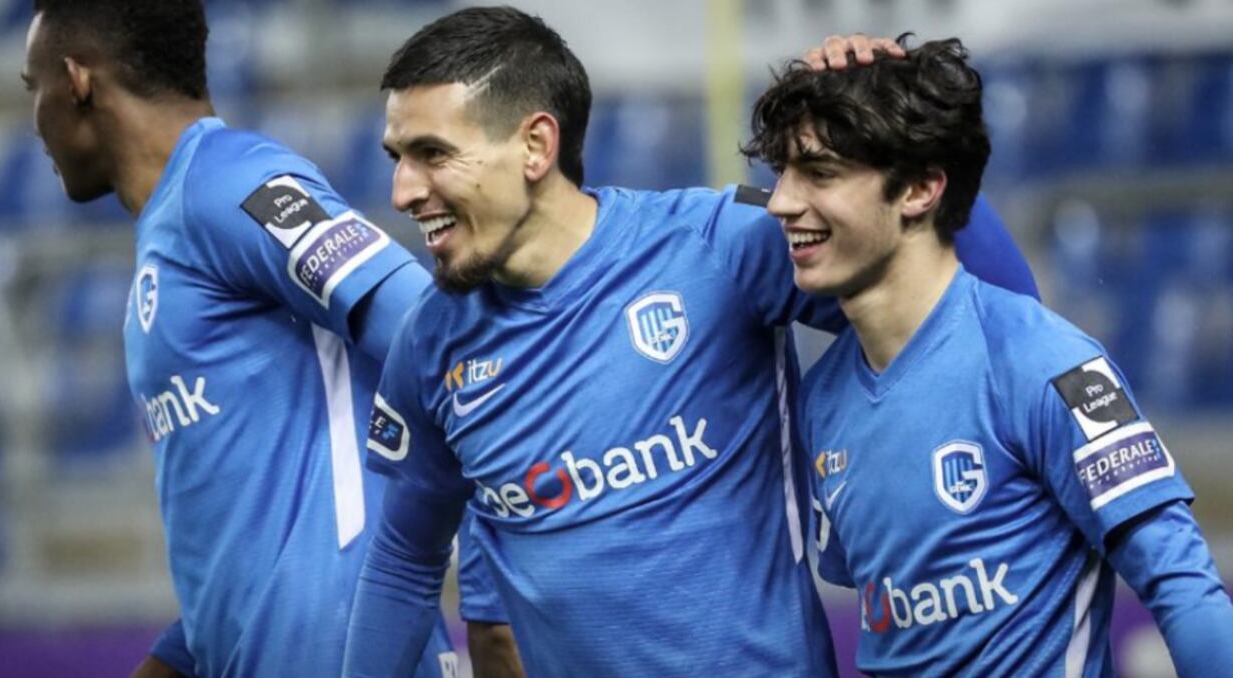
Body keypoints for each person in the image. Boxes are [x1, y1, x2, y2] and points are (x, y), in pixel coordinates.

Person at [341, 8, 1039, 676]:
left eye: (432, 154)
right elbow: (405, 558)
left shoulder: (716, 248)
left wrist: (904, 131)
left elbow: (986, 307)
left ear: (535, 145)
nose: (402, 190)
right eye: (398, 157)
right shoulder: (432, 342)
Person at [20, 2, 515, 676]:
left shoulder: (233, 181)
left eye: (33, 88)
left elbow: (438, 336)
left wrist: (493, 598)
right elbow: (249, 550)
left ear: (76, 80)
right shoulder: (171, 231)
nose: (34, 119)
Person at [744, 34, 1233, 675]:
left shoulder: (1050, 363)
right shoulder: (824, 397)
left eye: (820, 173)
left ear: (920, 189)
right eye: (781, 172)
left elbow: (1182, 587)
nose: (780, 201)